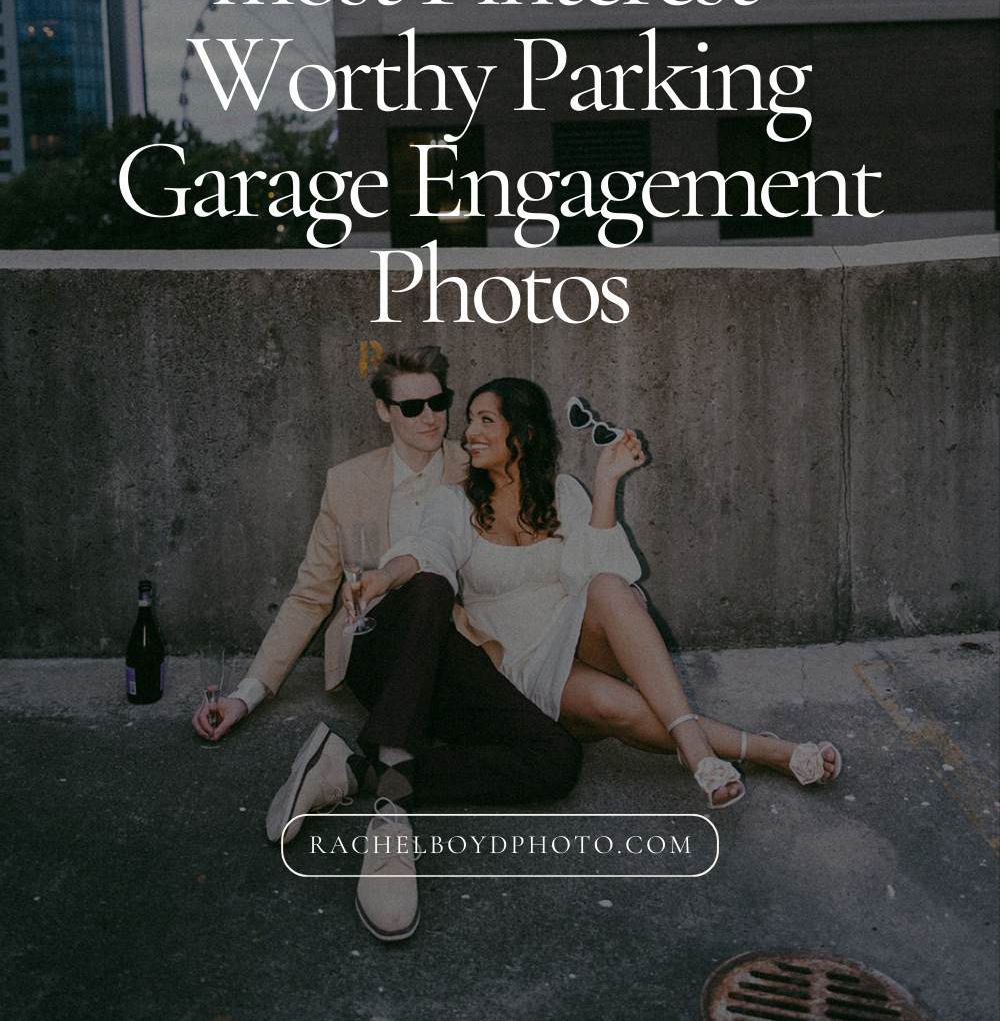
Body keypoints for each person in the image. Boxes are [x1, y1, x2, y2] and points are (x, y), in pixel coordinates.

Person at [191, 349, 582, 943]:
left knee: (558, 760)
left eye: (441, 402)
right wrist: (247, 694)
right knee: (424, 583)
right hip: (375, 648)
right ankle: (393, 818)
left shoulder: (477, 463)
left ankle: (355, 771)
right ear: (383, 411)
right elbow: (308, 596)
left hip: (455, 656)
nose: (434, 418)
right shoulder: (347, 484)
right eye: (413, 406)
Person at [356, 377, 841, 812]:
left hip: (577, 626)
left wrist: (605, 482)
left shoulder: (563, 491)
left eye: (486, 421)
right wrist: (386, 575)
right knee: (623, 709)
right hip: (522, 658)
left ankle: (696, 751)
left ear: (522, 433)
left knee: (608, 586)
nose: (469, 434)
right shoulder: (453, 500)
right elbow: (431, 549)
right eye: (470, 422)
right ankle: (772, 750)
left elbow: (591, 575)